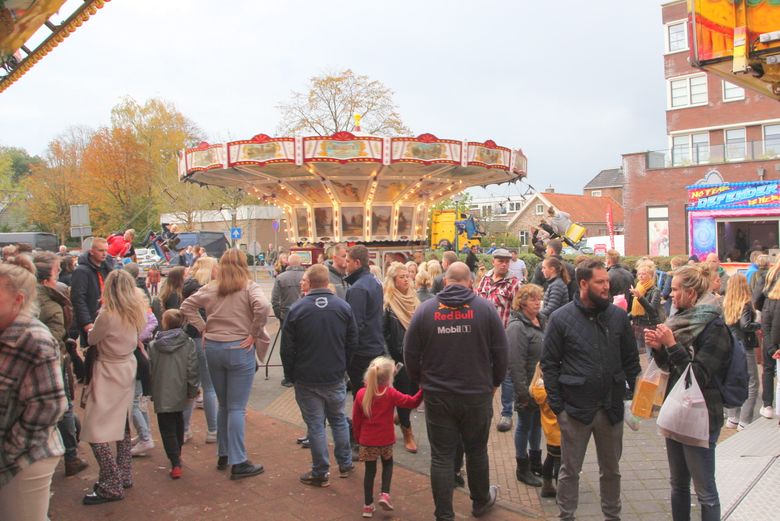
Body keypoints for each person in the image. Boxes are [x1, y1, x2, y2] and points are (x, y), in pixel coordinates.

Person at [404, 262, 508, 520]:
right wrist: (495, 382)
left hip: (438, 394)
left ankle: (444, 513)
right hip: (476, 393)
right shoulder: (485, 309)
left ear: (444, 281)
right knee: (476, 450)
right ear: (470, 282)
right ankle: (480, 501)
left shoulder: (425, 310)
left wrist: (422, 381)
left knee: (441, 455)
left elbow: (410, 354)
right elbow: (501, 353)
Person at [541, 259, 641, 521]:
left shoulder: (618, 317)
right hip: (575, 409)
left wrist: (635, 399)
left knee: (611, 470)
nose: (607, 286)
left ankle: (612, 516)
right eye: (600, 282)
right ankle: (566, 516)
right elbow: (549, 365)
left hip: (611, 408)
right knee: (570, 470)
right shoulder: (560, 318)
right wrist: (559, 408)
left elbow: (631, 361)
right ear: (583, 283)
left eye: (607, 281)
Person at [645, 264, 731, 521]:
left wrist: (671, 345)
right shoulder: (679, 320)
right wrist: (659, 349)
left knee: (705, 491)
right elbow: (670, 369)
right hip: (676, 409)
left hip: (702, 414)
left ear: (691, 293)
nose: (670, 294)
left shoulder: (714, 327)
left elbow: (698, 377)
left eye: (675, 290)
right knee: (678, 484)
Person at [180, 249, 270, 480]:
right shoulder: (249, 287)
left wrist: (204, 328)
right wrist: (254, 332)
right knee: (237, 407)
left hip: (213, 347)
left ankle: (223, 453)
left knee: (224, 405)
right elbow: (263, 307)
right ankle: (239, 461)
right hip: (239, 347)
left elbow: (186, 306)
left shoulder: (211, 287)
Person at [0, 260, 67, 520]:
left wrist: (9, 451)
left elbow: (50, 406)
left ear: (18, 299)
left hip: (25, 459)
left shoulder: (34, 339)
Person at [281, 264, 357, 488]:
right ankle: (345, 463)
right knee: (338, 420)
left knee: (315, 425)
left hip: (307, 377)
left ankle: (321, 471)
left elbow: (287, 348)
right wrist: (344, 365)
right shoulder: (343, 307)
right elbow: (353, 340)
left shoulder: (297, 309)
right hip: (335, 375)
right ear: (326, 281)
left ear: (309, 282)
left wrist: (290, 374)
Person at [81, 270, 148, 504]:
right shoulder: (136, 311)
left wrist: (91, 329)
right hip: (127, 368)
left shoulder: (107, 315)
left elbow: (92, 339)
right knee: (122, 423)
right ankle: (124, 474)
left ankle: (111, 482)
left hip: (108, 370)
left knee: (94, 428)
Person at [34, 251, 89, 477]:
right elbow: (55, 334)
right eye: (56, 271)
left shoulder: (31, 296)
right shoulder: (50, 302)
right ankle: (70, 455)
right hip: (51, 361)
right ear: (49, 277)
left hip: (43, 360)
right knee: (64, 406)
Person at [354, 356, 423, 517]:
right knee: (388, 465)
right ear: (389, 378)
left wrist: (358, 438)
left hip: (367, 440)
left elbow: (356, 420)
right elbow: (412, 402)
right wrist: (423, 389)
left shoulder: (361, 394)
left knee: (370, 472)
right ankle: (385, 494)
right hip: (385, 440)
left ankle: (367, 505)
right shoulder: (390, 393)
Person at [148, 309, 199, 479]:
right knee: (178, 421)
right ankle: (177, 454)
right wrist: (192, 389)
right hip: (180, 389)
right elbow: (192, 368)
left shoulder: (154, 345)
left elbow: (150, 370)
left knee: (166, 427)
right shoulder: (188, 343)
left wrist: (151, 390)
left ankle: (175, 460)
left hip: (161, 390)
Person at [476, 248, 521, 432]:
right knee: (483, 372)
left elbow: (518, 310)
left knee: (506, 375)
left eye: (507, 261)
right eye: (500, 261)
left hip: (504, 336)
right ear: (493, 261)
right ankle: (484, 408)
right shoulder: (485, 279)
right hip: (483, 336)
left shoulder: (514, 283)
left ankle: (506, 413)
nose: (504, 264)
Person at [506, 284, 545, 488]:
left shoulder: (542, 320)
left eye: (539, 298)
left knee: (537, 424)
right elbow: (515, 362)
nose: (538, 302)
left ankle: (535, 461)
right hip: (526, 386)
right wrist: (522, 392)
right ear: (522, 302)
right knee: (524, 424)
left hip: (541, 386)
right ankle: (522, 467)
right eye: (532, 299)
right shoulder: (517, 327)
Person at [382, 262, 420, 453]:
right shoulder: (388, 305)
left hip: (417, 357)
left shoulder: (415, 299)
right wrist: (390, 361)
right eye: (401, 277)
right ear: (393, 281)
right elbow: (383, 335)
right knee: (405, 395)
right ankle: (407, 431)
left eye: (407, 276)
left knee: (417, 394)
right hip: (399, 360)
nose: (406, 279)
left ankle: (400, 417)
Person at [182, 256, 219, 443]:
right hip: (204, 338)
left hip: (189, 339)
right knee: (209, 387)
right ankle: (213, 430)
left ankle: (184, 430)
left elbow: (186, 309)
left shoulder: (188, 286)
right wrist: (204, 327)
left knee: (191, 386)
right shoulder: (209, 288)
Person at [344, 245, 386, 401]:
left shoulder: (358, 288)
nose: (345, 265)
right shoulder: (374, 281)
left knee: (362, 394)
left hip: (362, 351)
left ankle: (362, 417)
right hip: (375, 345)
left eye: (348, 261)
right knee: (373, 393)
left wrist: (349, 350)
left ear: (357, 263)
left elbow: (355, 324)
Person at [722, 273, 760, 430]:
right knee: (752, 383)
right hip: (745, 345)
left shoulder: (726, 303)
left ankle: (732, 417)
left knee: (733, 379)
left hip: (730, 345)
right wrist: (759, 324)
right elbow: (745, 325)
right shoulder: (745, 303)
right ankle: (745, 420)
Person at [70, 237, 111, 346]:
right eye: (101, 250)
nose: (104, 254)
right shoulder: (81, 271)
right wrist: (86, 323)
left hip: (107, 317)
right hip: (92, 319)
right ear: (91, 252)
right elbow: (78, 299)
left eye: (106, 250)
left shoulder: (106, 268)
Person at [273, 254, 305, 387]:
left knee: (287, 347)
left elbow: (275, 300)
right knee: (304, 345)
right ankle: (302, 374)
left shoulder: (280, 278)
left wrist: (279, 315)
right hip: (305, 316)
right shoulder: (307, 276)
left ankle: (289, 377)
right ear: (300, 263)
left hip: (286, 316)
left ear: (289, 264)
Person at [529, 362, 561, 498]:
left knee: (551, 457)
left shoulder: (538, 388)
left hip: (549, 430)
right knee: (560, 462)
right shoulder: (550, 390)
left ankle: (547, 486)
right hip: (558, 430)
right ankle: (562, 492)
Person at [629, 261, 663, 357]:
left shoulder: (655, 290)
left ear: (651, 275)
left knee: (650, 355)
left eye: (644, 274)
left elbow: (652, 310)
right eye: (639, 274)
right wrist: (624, 316)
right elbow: (635, 311)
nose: (641, 276)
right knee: (635, 353)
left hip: (649, 325)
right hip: (637, 325)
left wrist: (640, 297)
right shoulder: (638, 287)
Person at [760, 276, 780, 419]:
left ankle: (768, 405)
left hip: (770, 343)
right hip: (775, 343)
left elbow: (766, 325)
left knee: (768, 371)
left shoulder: (769, 300)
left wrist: (771, 347)